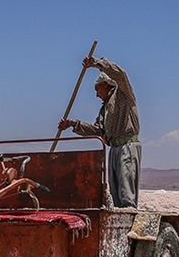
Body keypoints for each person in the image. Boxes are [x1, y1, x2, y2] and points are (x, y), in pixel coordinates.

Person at [57, 55, 141, 208]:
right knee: (115, 192)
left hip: (127, 146)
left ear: (106, 84)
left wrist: (96, 63)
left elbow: (120, 74)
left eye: (97, 89)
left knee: (126, 192)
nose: (96, 94)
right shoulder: (105, 108)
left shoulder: (123, 93)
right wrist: (72, 124)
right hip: (114, 148)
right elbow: (97, 130)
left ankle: (129, 222)